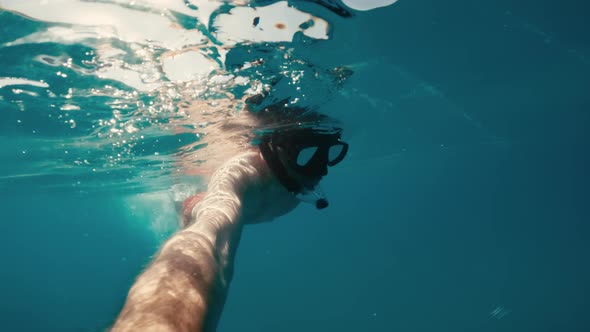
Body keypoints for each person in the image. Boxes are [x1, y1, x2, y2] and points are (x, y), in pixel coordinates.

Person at [111, 106, 349, 331]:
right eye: (307, 155)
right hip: (199, 200)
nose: (321, 169)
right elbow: (211, 235)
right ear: (279, 148)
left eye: (331, 154)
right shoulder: (243, 174)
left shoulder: (296, 180)